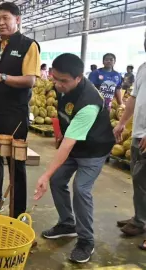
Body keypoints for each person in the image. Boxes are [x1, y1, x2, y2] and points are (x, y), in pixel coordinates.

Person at [34, 53, 115, 263]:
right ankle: (67, 224)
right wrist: (60, 132)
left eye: (64, 81)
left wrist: (45, 174)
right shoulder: (61, 87)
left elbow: (68, 145)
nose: (58, 84)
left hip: (94, 149)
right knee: (58, 179)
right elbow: (64, 117)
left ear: (78, 78)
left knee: (81, 188)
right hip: (76, 142)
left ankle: (86, 240)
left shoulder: (89, 103)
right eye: (55, 78)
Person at [0, 2, 40, 217]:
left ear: (17, 20)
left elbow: (30, 80)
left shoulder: (28, 46)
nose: (1, 23)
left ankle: (17, 210)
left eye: (5, 18)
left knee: (15, 164)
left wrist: (1, 77)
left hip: (14, 115)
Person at [113, 33, 146, 250]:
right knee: (139, 181)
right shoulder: (143, 67)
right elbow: (134, 98)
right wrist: (122, 121)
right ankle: (140, 219)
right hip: (138, 133)